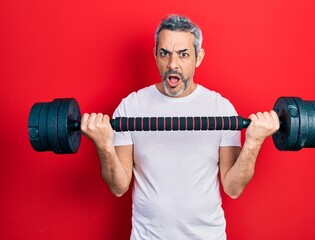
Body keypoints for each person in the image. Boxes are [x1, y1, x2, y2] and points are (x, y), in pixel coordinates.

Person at [81, 14, 279, 240]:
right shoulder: (131, 107)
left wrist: (254, 142)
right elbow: (118, 187)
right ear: (155, 55)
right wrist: (104, 146)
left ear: (199, 57)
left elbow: (233, 188)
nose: (172, 64)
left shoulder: (221, 109)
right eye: (165, 53)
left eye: (183, 55)